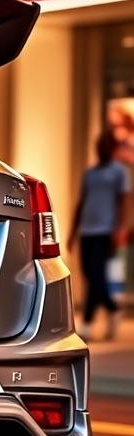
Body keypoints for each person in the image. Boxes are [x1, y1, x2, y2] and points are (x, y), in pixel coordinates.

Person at [67, 133, 131, 340]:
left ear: (111, 148)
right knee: (90, 275)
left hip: (105, 231)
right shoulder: (90, 173)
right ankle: (113, 308)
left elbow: (125, 202)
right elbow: (81, 203)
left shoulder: (119, 172)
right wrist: (72, 233)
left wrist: (120, 228)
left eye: (105, 145)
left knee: (96, 276)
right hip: (87, 230)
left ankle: (86, 323)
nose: (101, 148)